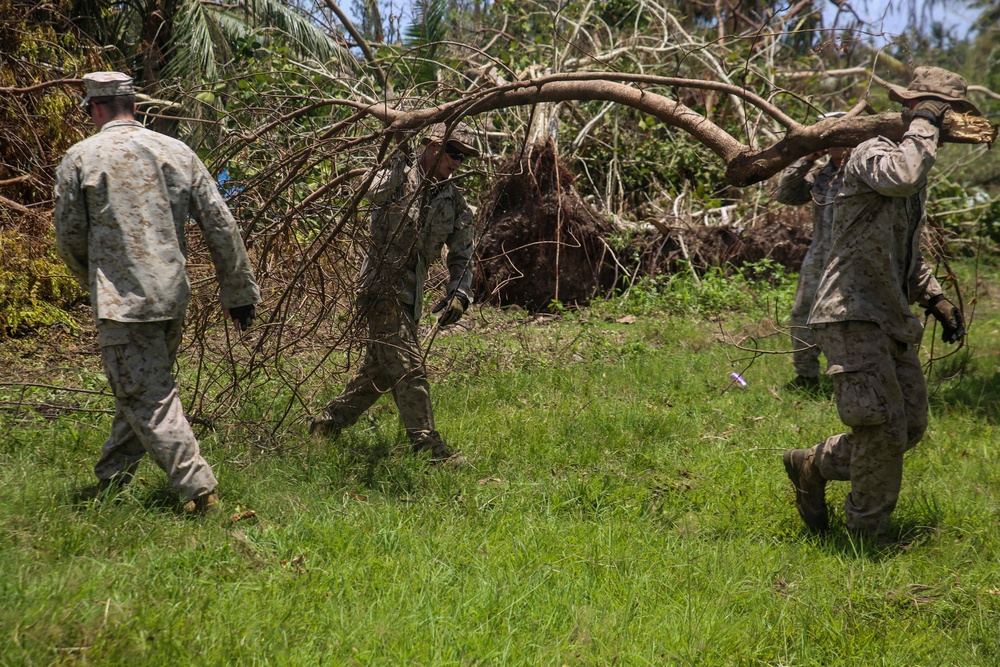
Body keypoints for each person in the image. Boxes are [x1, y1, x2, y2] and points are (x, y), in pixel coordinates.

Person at [54, 72, 262, 513]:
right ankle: (110, 483)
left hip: (123, 305)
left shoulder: (82, 157)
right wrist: (239, 291)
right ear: (134, 105)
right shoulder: (178, 151)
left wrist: (92, 282)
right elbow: (221, 225)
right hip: (171, 298)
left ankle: (201, 492)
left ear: (95, 108)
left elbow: (70, 236)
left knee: (145, 396)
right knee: (141, 386)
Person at [783, 66, 971, 537]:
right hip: (849, 312)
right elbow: (903, 175)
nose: (943, 124)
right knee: (881, 426)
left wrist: (935, 297)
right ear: (913, 109)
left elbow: (901, 248)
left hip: (889, 313)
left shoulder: (906, 162)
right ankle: (865, 536)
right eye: (938, 111)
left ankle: (814, 464)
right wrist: (925, 119)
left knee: (908, 427)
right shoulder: (874, 152)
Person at [309, 122, 479, 465]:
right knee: (409, 368)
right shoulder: (396, 175)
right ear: (431, 145)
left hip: (410, 297)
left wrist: (459, 293)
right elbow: (371, 192)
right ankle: (431, 452)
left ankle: (326, 425)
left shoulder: (454, 201)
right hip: (380, 287)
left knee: (381, 372)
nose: (456, 162)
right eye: (452, 152)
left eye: (462, 157)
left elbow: (462, 252)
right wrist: (399, 160)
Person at [775, 111, 852, 392]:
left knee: (846, 320)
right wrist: (807, 158)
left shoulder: (865, 170)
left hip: (853, 259)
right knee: (802, 314)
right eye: (829, 136)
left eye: (840, 136)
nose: (835, 142)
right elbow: (785, 194)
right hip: (818, 255)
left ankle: (850, 377)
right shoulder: (822, 174)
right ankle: (806, 377)